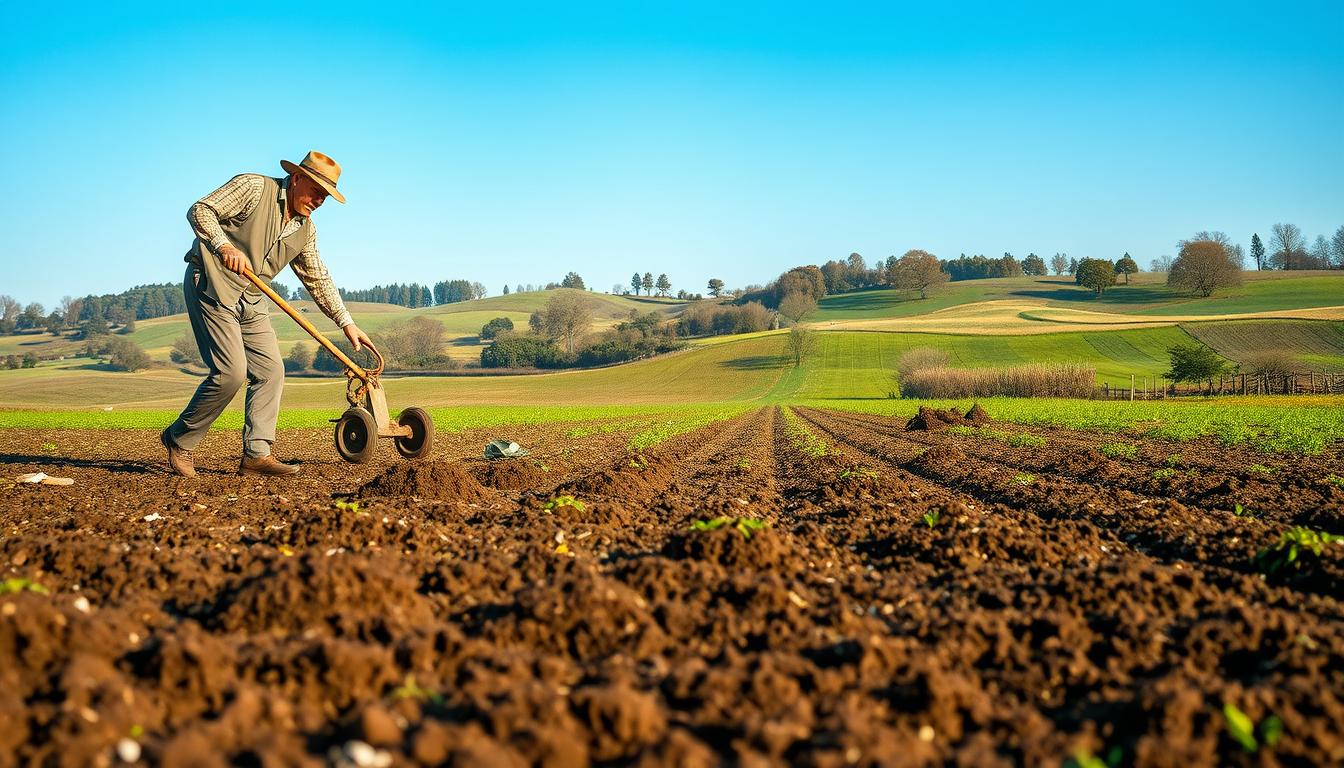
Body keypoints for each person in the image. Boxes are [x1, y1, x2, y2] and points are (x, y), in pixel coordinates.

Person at [161, 151, 373, 477]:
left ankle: (256, 455)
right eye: (316, 190)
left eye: (326, 196)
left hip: (253, 299)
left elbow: (318, 278)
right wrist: (223, 246)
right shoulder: (254, 188)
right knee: (230, 373)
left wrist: (346, 323)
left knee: (271, 371)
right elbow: (200, 210)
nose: (319, 200)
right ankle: (179, 439)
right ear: (297, 177)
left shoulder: (305, 230)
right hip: (213, 286)